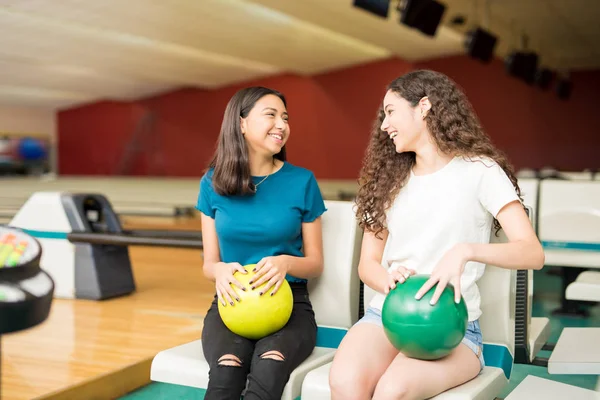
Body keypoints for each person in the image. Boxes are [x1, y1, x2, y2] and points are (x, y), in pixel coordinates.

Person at [329, 70, 545, 400]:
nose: (384, 125)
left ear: (424, 106)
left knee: (392, 390)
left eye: (390, 111)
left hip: (453, 327)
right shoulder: (387, 181)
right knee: (345, 383)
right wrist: (387, 279)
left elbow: (532, 252)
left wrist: (464, 251)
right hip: (386, 313)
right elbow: (368, 264)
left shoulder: (481, 171)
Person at [196, 86, 326, 400]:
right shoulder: (211, 183)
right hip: (231, 304)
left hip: (291, 305)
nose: (282, 124)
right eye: (271, 115)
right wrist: (221, 270)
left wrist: (286, 262)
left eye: (285, 117)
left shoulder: (302, 181)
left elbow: (315, 263)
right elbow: (209, 263)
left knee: (268, 373)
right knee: (225, 376)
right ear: (241, 123)